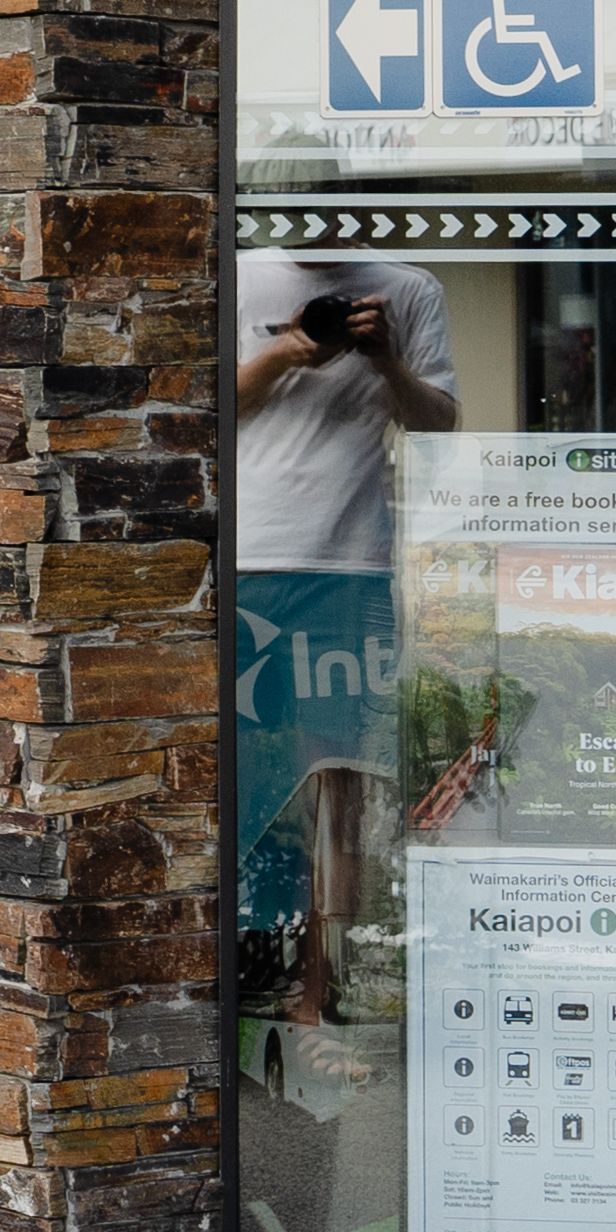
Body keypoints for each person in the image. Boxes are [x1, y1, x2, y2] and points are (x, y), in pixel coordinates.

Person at [232, 250, 457, 1001]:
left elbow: (439, 427)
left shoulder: (408, 288)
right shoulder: (237, 276)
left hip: (351, 566)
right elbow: (199, 413)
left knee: (340, 784)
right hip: (247, 561)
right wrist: (286, 354)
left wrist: (386, 361)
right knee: (246, 776)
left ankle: (319, 988)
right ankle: (248, 969)